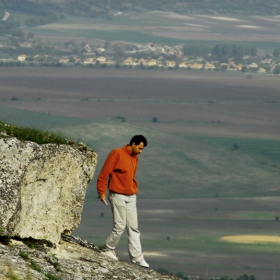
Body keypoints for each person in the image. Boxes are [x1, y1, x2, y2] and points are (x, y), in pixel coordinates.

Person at [97, 135, 149, 268]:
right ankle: (108, 249)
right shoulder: (116, 153)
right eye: (140, 148)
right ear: (133, 143)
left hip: (131, 196)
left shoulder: (135, 157)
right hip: (117, 195)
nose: (141, 151)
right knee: (120, 225)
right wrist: (101, 191)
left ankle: (136, 257)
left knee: (133, 228)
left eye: (142, 149)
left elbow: (131, 176)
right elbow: (104, 174)